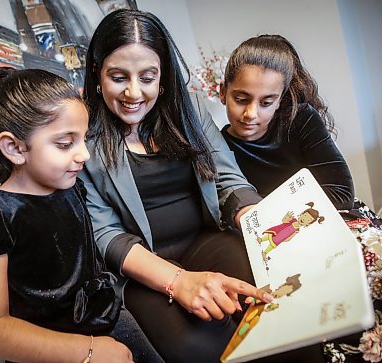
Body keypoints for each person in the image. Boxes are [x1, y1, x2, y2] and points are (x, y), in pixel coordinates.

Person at [79, 9, 275, 363]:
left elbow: (227, 178)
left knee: (271, 303)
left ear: (163, 76)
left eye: (147, 77)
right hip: (142, 268)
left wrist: (259, 223)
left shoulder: (190, 111)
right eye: (118, 77)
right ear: (97, 73)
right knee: (198, 348)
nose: (133, 93)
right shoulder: (81, 136)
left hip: (205, 240)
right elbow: (105, 233)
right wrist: (179, 282)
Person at [0, 67, 162, 363]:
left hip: (106, 320)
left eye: (84, 139)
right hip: (47, 347)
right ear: (15, 148)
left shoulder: (73, 188)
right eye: (64, 143)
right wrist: (88, 351)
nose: (83, 154)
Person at [219, 34, 355, 210]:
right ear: (223, 92)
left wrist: (262, 208)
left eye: (266, 103)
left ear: (279, 100)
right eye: (241, 99)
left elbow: (342, 193)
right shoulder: (218, 147)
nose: (251, 114)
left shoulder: (301, 120)